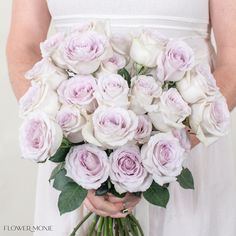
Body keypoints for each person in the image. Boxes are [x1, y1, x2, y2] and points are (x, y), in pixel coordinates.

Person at [6, 0, 236, 235]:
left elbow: (233, 54)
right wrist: (83, 159)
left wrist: (172, 144)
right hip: (78, 154)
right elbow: (25, 44)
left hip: (183, 152)